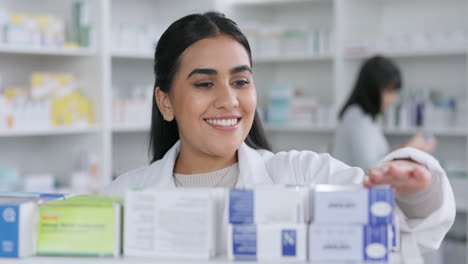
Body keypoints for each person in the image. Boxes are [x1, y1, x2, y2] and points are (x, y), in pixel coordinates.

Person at [102, 12, 455, 252]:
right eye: (205, 83)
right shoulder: (121, 199)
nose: (229, 100)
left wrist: (415, 189)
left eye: (241, 81)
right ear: (165, 102)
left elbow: (402, 227)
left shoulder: (303, 175)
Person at [333, 56, 436, 170]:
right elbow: (370, 168)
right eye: (390, 91)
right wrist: (410, 148)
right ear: (372, 89)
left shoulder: (368, 118)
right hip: (355, 186)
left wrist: (406, 149)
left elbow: (380, 157)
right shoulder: (357, 118)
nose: (393, 98)